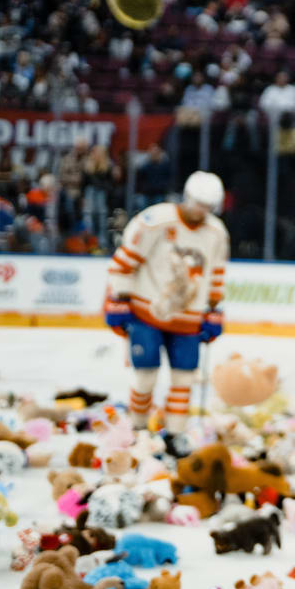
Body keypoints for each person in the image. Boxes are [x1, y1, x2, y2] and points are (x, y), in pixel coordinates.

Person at [104, 171, 229, 456]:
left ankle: (175, 434)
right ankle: (137, 429)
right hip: (147, 311)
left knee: (184, 379)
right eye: (199, 204)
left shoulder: (217, 233)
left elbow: (216, 273)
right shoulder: (155, 221)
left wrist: (213, 309)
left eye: (208, 207)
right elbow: (124, 262)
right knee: (145, 375)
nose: (202, 211)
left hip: (188, 318)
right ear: (187, 197)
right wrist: (119, 299)